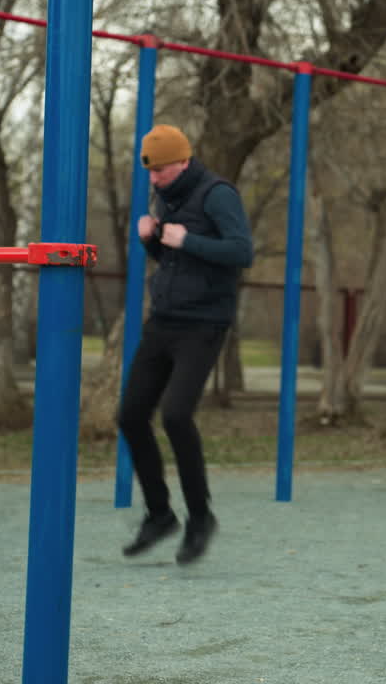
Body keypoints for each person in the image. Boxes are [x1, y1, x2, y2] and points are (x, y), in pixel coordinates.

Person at [117, 124, 254, 565]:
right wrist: (151, 242)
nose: (153, 179)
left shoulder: (218, 195)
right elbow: (176, 261)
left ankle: (200, 517)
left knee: (176, 416)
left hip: (204, 325)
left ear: (183, 162)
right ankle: (160, 515)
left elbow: (240, 252)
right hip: (163, 322)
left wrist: (187, 239)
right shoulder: (166, 198)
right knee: (131, 415)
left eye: (160, 171)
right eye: (150, 172)